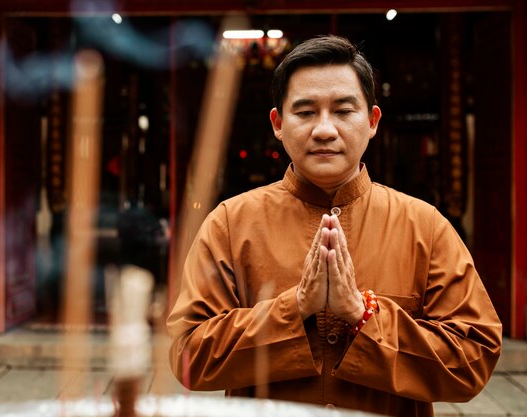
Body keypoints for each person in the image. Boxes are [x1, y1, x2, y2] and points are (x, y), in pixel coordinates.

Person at [166, 35, 502, 416]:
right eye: (305, 112)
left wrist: (362, 314)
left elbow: (473, 359)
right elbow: (188, 353)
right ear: (278, 123)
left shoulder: (424, 227)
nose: (324, 130)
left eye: (343, 111)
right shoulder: (231, 223)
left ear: (373, 121)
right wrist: (294, 308)